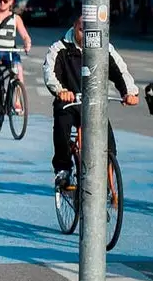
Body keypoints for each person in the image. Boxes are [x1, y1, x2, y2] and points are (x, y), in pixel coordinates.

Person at [43, 15, 139, 185]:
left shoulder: (104, 48)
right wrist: (61, 91)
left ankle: (108, 178)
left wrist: (129, 92)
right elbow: (50, 73)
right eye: (82, 29)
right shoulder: (60, 48)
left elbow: (120, 71)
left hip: (94, 104)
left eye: (90, 30)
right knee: (62, 127)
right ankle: (63, 169)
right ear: (74, 26)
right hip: (70, 102)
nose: (87, 34)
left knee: (108, 145)